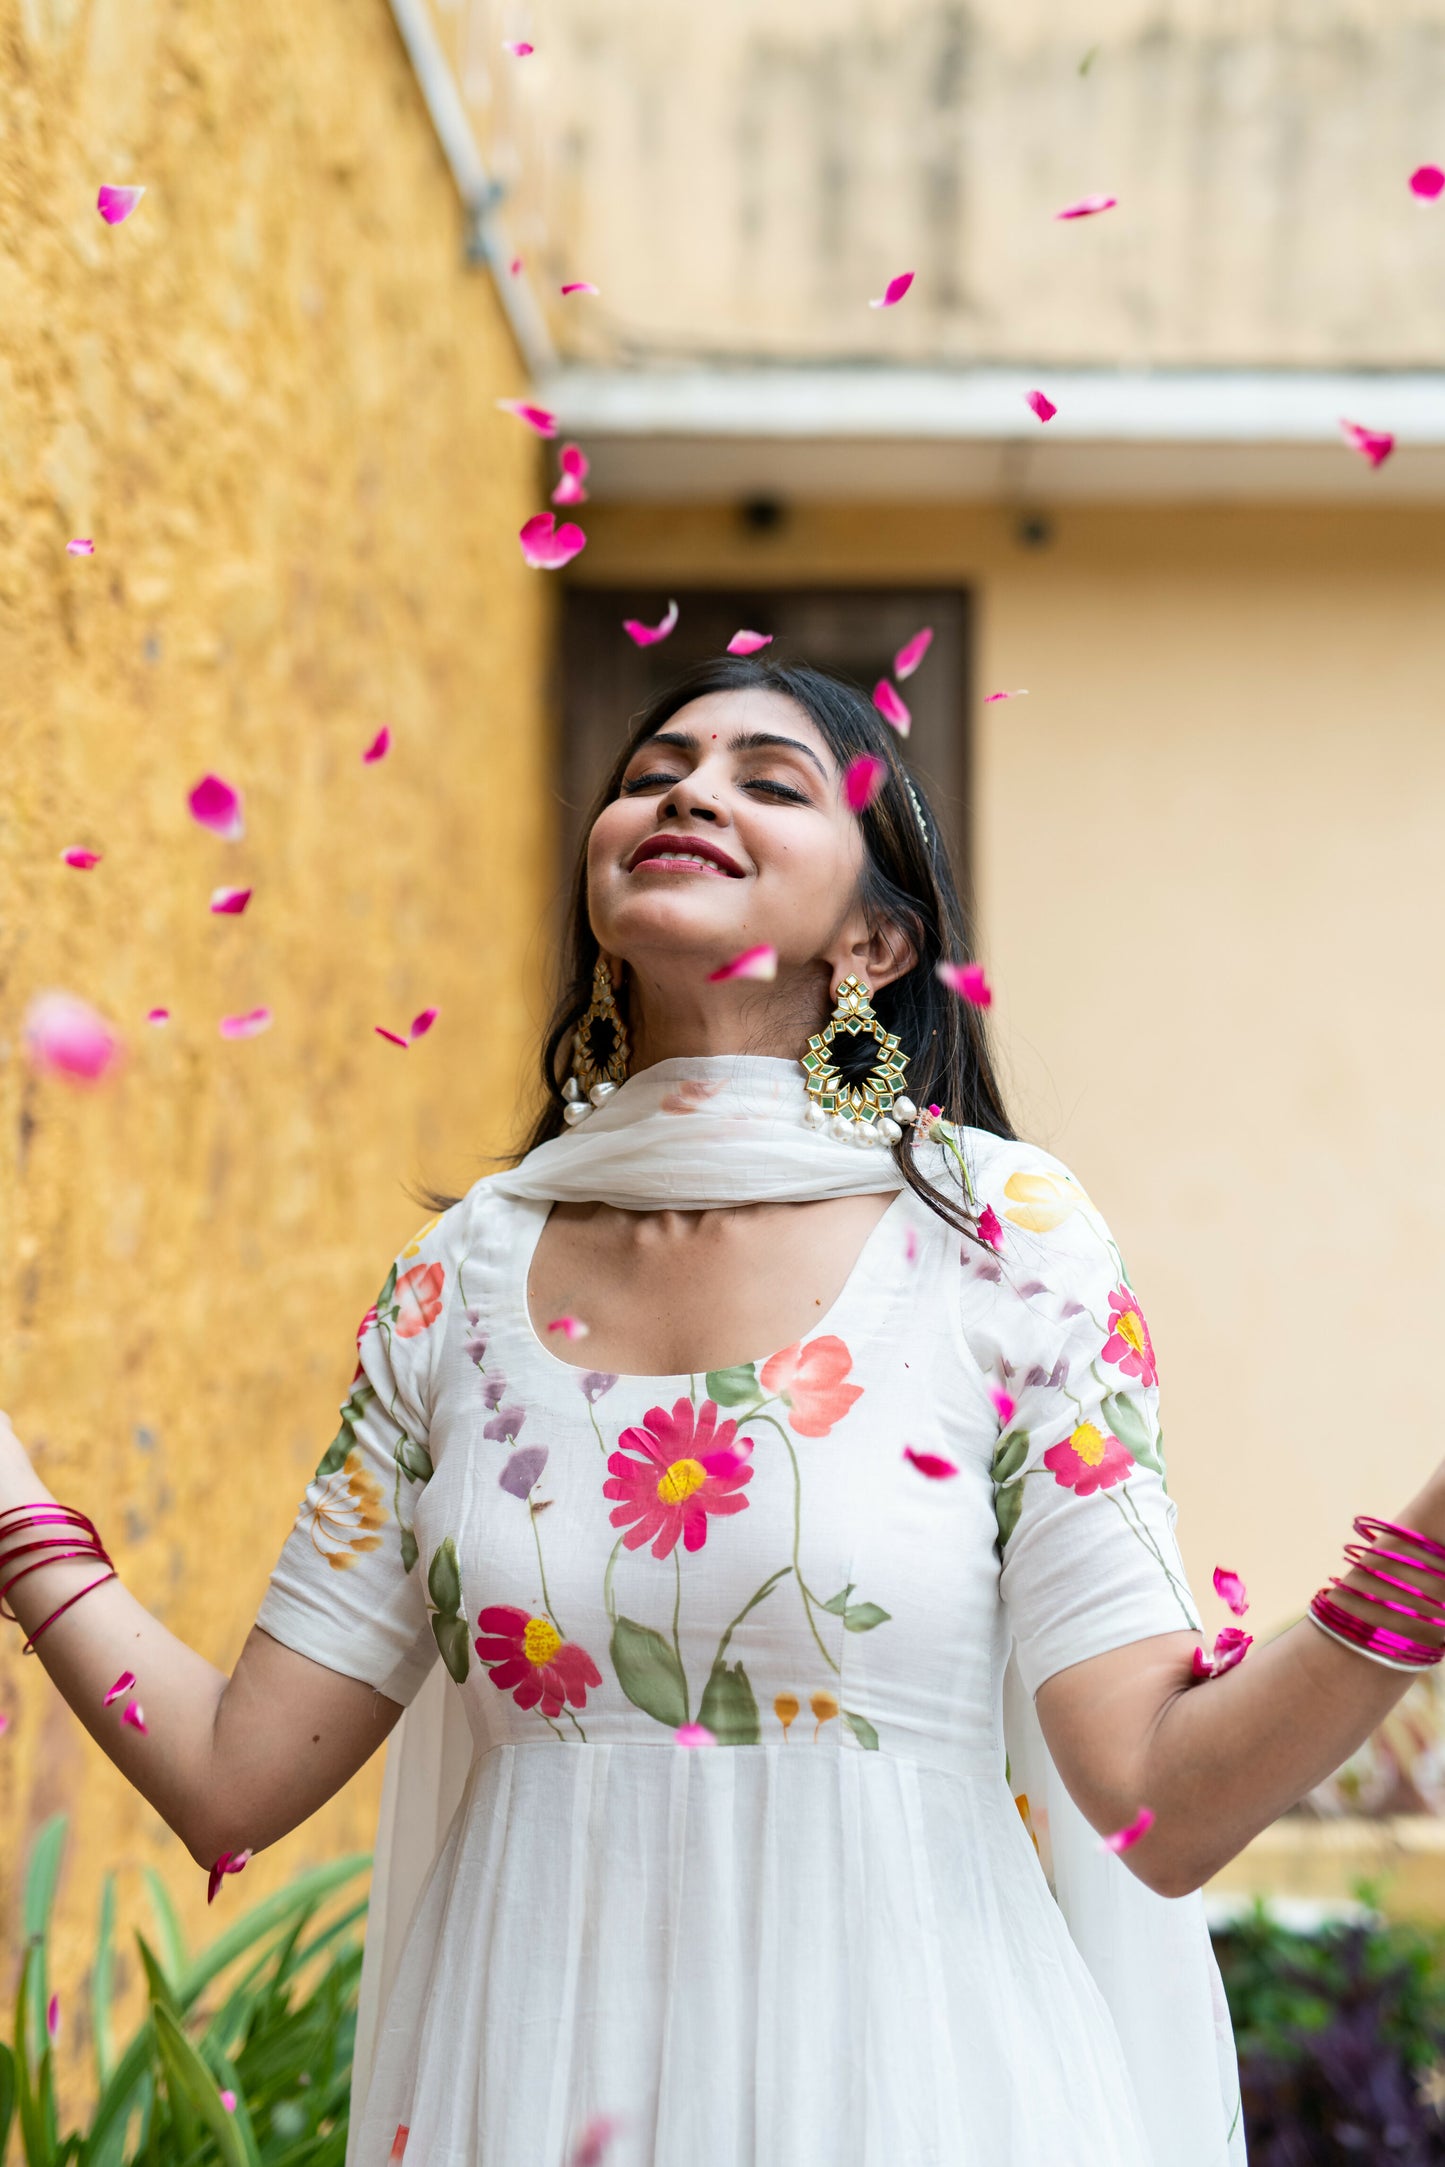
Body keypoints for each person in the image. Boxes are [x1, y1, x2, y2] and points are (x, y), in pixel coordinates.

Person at [5, 655, 1445, 2167]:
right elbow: (237, 1778)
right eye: (653, 771)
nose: (685, 789)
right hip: (533, 2085)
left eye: (770, 781)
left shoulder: (998, 1243)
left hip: (912, 2094)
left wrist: (1423, 1553)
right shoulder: (458, 1283)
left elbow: (1161, 1801)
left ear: (875, 941)